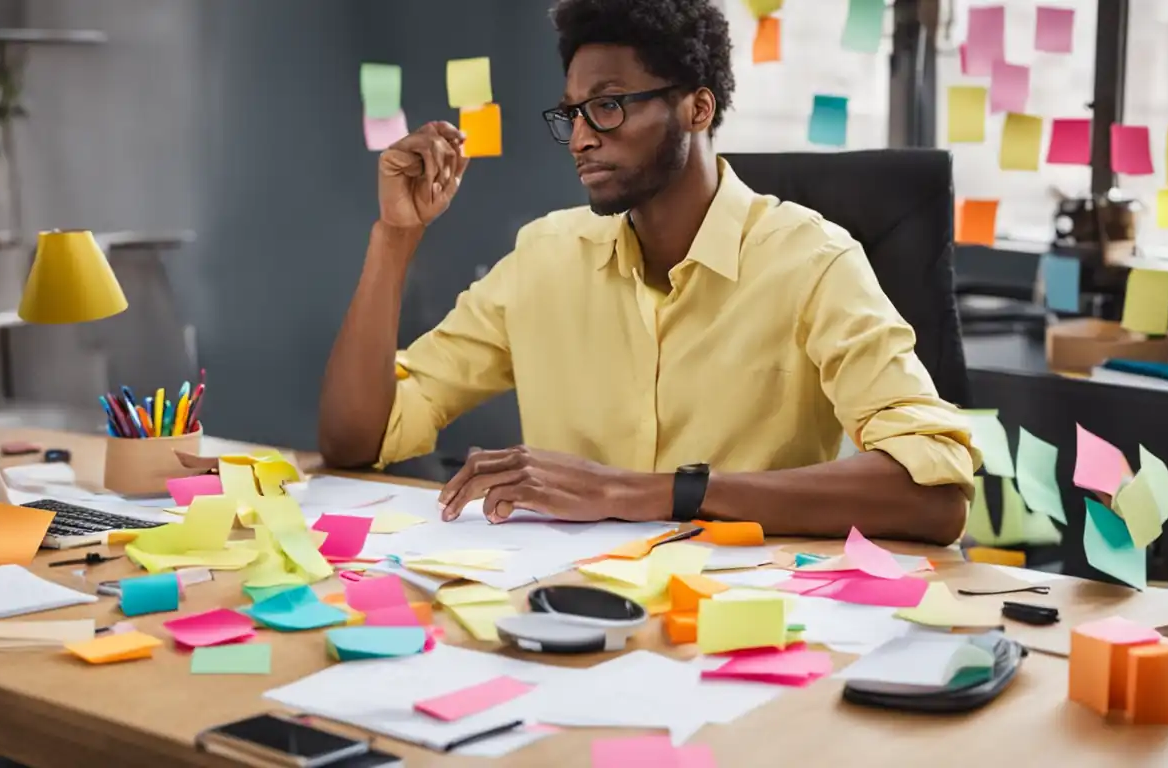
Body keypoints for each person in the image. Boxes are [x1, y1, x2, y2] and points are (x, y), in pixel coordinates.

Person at [320, 0, 980, 545]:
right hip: (566, 614)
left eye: (608, 106)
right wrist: (396, 238)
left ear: (697, 109)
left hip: (743, 633)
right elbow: (358, 438)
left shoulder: (812, 261)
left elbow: (936, 495)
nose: (580, 137)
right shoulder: (544, 258)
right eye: (572, 112)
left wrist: (648, 493)